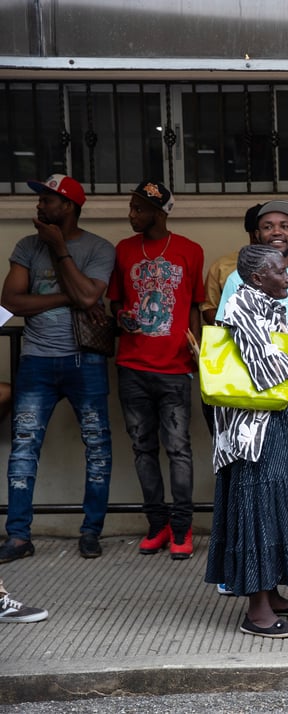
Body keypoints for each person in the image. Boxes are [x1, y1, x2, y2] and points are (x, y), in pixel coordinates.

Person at [205, 244, 288, 639]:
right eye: (280, 272)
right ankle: (257, 612)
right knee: (258, 508)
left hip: (281, 422)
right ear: (258, 277)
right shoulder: (242, 303)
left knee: (278, 503)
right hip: (253, 431)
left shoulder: (268, 305)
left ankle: (271, 594)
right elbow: (265, 363)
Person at [0, 174, 115, 563]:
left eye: (48, 199)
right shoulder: (27, 246)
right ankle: (18, 536)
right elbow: (13, 301)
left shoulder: (99, 248)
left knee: (97, 448)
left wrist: (60, 249)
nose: (39, 206)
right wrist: (70, 298)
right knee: (23, 449)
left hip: (86, 360)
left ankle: (91, 532)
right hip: (36, 360)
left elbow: (90, 294)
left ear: (68, 206)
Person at [108, 181, 205, 560]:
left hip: (175, 368)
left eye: (137, 208)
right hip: (132, 366)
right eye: (131, 207)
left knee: (178, 449)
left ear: (159, 211)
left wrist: (195, 351)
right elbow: (114, 303)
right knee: (142, 447)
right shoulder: (123, 250)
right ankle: (156, 524)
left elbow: (196, 306)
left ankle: (182, 527)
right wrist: (122, 318)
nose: (131, 215)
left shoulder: (190, 251)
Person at [215, 201, 288, 381]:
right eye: (268, 227)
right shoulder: (236, 278)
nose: (277, 232)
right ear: (256, 234)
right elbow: (222, 332)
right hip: (251, 383)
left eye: (285, 226)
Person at [198, 203, 262, 436]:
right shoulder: (225, 267)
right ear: (255, 232)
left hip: (274, 361)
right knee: (228, 432)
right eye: (267, 227)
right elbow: (208, 308)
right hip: (232, 359)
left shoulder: (285, 269)